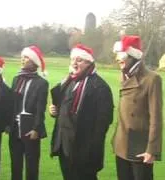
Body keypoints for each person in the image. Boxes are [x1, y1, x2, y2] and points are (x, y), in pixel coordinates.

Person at [49, 44, 114, 180]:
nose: (74, 63)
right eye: (72, 59)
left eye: (79, 60)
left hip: (84, 151)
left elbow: (103, 122)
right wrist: (54, 111)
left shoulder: (100, 87)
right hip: (64, 145)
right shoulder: (69, 81)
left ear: (89, 62)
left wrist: (90, 149)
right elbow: (63, 107)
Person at [111, 35, 163, 180]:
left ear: (132, 55)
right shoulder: (124, 75)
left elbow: (156, 118)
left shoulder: (152, 79)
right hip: (121, 144)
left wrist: (152, 149)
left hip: (140, 147)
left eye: (121, 55)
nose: (117, 59)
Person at [8, 46, 49, 180]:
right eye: (22, 57)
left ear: (33, 61)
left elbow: (40, 108)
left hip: (30, 127)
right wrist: (8, 125)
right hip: (15, 127)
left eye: (26, 57)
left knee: (31, 165)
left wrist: (36, 129)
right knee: (15, 163)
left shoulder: (41, 83)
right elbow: (12, 105)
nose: (22, 59)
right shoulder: (16, 79)